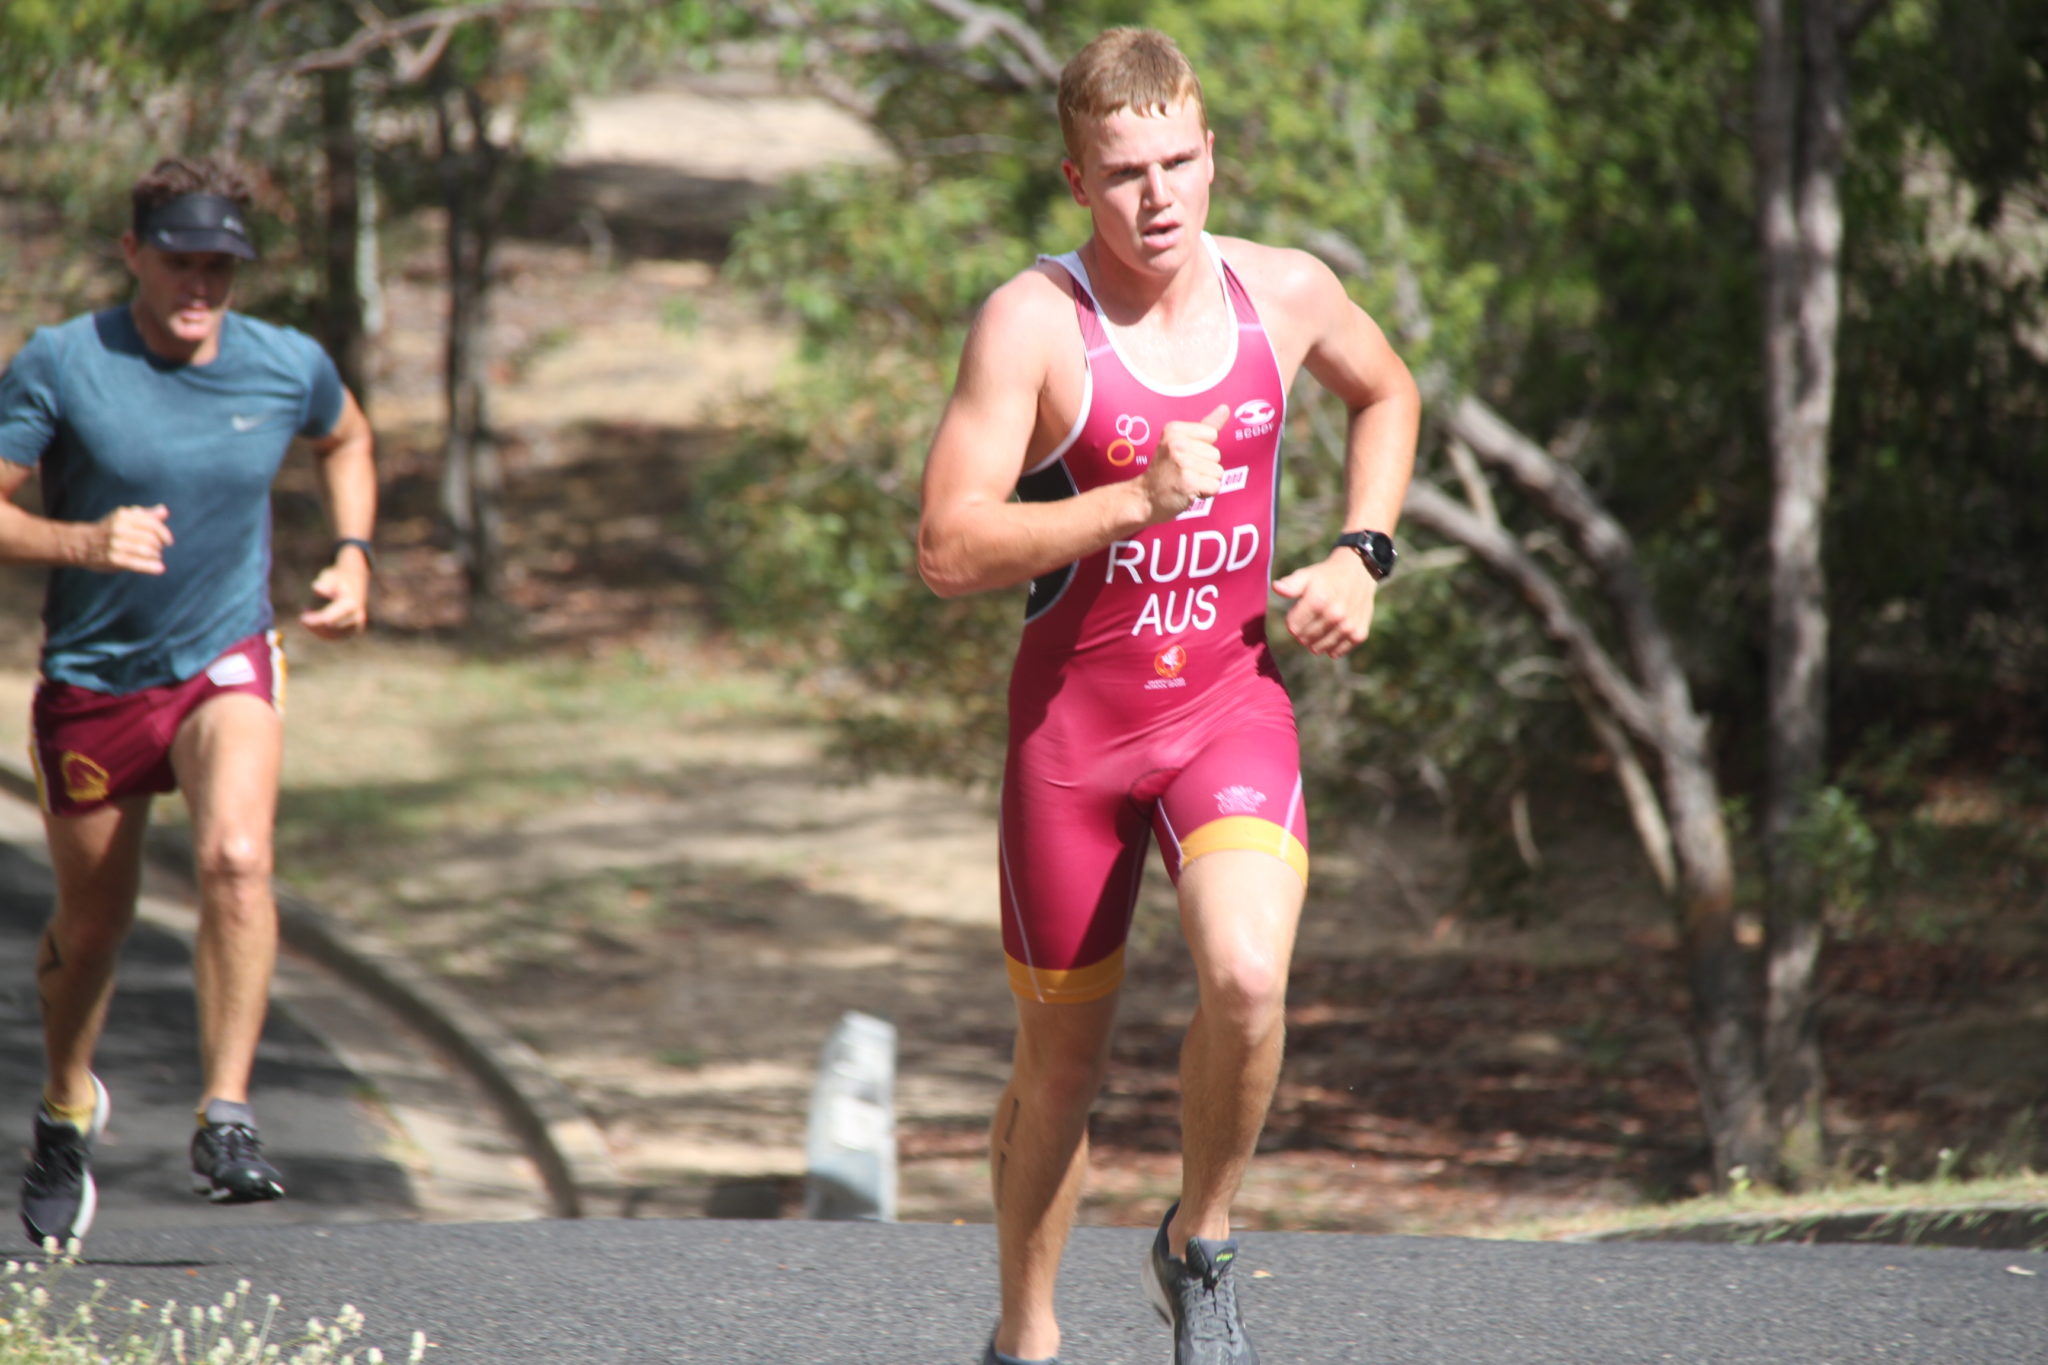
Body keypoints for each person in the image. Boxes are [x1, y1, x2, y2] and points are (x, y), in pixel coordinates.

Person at [916, 27, 1419, 1365]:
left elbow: (1389, 393)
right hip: (1072, 743)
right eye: (1125, 171)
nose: (1160, 197)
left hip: (1227, 708)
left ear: (1214, 154)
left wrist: (1365, 551)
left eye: (1180, 162)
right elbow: (947, 547)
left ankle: (1201, 1240)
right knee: (1060, 1072)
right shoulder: (1034, 323)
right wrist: (1129, 501)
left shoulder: (1288, 293)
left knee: (1250, 977)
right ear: (1077, 179)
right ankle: (1026, 1331)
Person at [0, 156, 377, 1247]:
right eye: (179, 261)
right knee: (95, 925)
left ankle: (226, 1116)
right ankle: (67, 1107)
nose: (199, 285)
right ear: (134, 255)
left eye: (220, 265)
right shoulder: (63, 364)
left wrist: (352, 554)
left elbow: (346, 436)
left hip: (226, 654)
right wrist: (79, 540)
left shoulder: (283, 364)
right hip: (94, 679)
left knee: (237, 860)